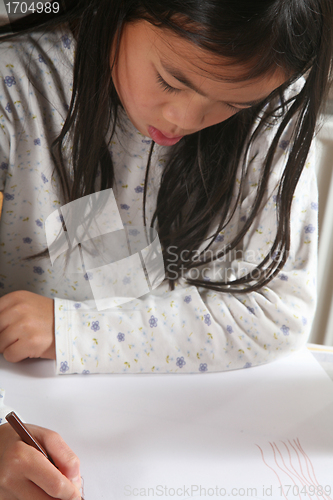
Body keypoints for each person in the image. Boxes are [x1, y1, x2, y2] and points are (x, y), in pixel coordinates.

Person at [0, 0, 332, 498]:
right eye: (172, 80)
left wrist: (72, 330)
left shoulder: (273, 105)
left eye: (232, 104)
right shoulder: (16, 85)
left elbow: (277, 310)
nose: (183, 120)